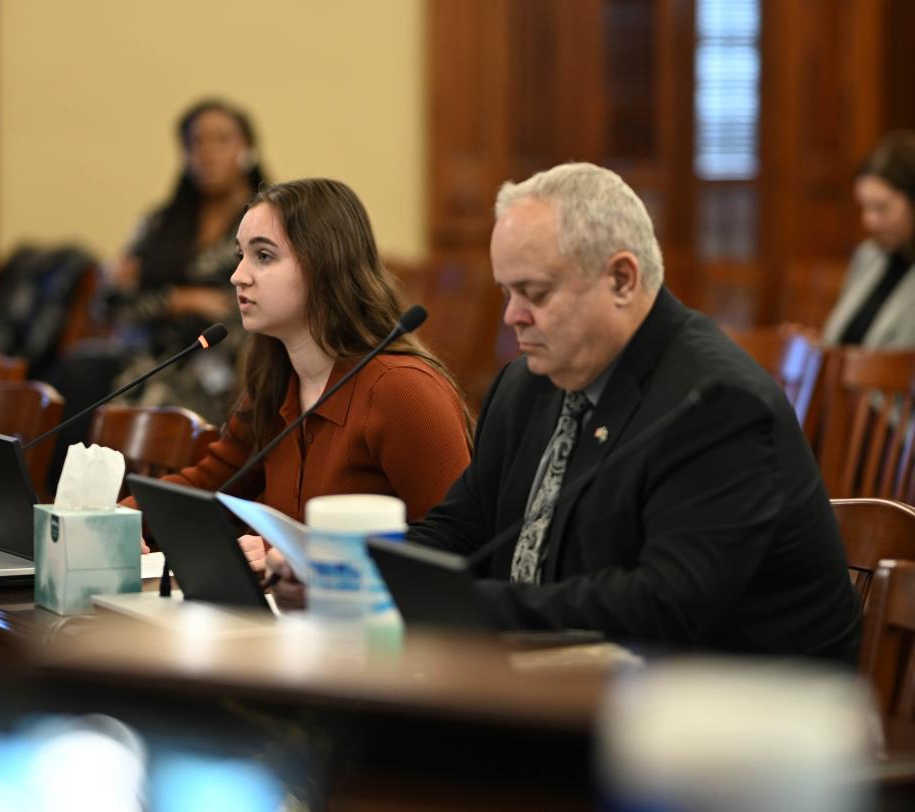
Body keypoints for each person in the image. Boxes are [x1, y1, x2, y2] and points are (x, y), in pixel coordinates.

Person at [269, 162, 862, 663]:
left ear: (623, 279)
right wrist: (344, 574)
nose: (512, 318)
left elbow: (662, 606)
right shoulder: (529, 385)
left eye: (537, 293)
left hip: (741, 732)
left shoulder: (716, 403)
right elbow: (461, 529)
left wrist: (457, 609)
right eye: (507, 293)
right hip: (574, 691)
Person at [129, 178, 472, 570]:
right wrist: (122, 517)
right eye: (240, 255)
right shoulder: (274, 378)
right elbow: (212, 484)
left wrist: (304, 559)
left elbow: (458, 544)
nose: (237, 276)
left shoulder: (403, 390)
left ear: (324, 265)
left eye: (263, 256)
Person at [61, 99, 266, 431]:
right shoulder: (161, 224)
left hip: (215, 369)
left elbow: (240, 313)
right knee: (81, 368)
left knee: (147, 397)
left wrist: (154, 299)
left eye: (221, 140)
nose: (208, 152)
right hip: (143, 356)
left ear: (248, 149)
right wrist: (179, 300)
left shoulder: (265, 223)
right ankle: (63, 484)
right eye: (196, 142)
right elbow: (110, 303)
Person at [822, 130, 915, 347]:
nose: (869, 221)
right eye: (864, 207)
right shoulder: (868, 256)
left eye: (881, 208)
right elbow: (837, 340)